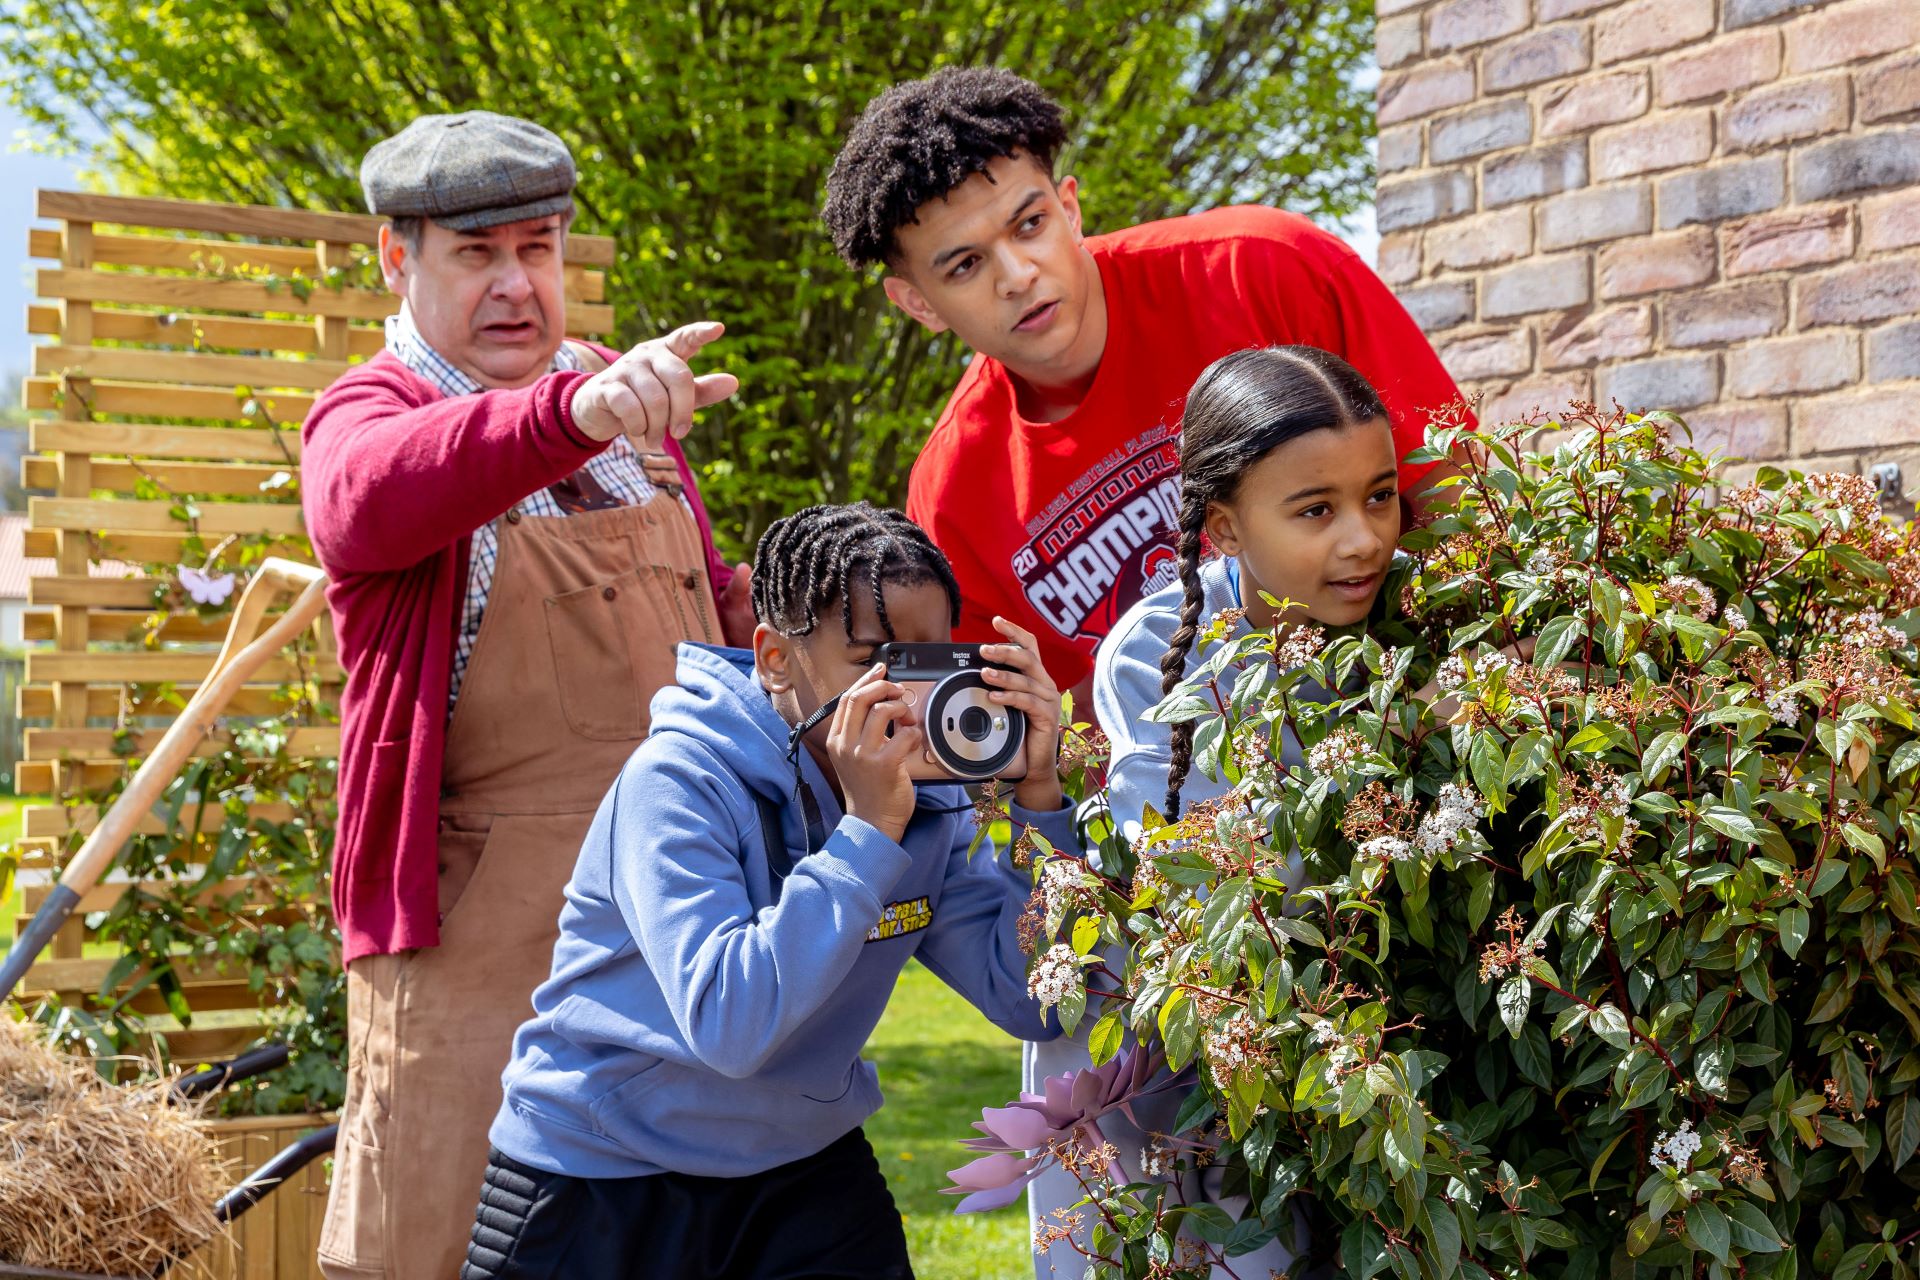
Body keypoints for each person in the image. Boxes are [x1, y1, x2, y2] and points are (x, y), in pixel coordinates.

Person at [302, 110, 751, 1280]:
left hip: (672, 929)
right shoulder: (371, 412)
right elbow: (367, 501)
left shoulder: (621, 399)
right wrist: (570, 417)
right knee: (440, 1250)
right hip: (475, 940)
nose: (517, 284)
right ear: (397, 258)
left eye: (539, 248)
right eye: (476, 253)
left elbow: (702, 606)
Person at [459, 503, 1077, 1280]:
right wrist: (864, 838)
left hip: (800, 1166)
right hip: (600, 1177)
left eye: (929, 662)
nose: (910, 700)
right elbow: (730, 1027)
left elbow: (1031, 1002)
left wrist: (1043, 806)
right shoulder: (678, 782)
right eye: (872, 662)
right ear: (775, 659)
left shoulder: (926, 805)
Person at [821, 67, 1473, 709]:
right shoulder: (950, 496)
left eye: (1030, 225)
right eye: (965, 265)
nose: (1017, 275)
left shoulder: (1263, 271)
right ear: (917, 303)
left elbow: (1458, 490)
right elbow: (1031, 730)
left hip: (1426, 713)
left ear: (1070, 208)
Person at [1072, 345, 1406, 1277]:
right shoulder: (1158, 657)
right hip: (1232, 1070)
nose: (1363, 539)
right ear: (1221, 528)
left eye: (1378, 495)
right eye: (1315, 510)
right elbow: (1196, 884)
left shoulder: (1420, 610)